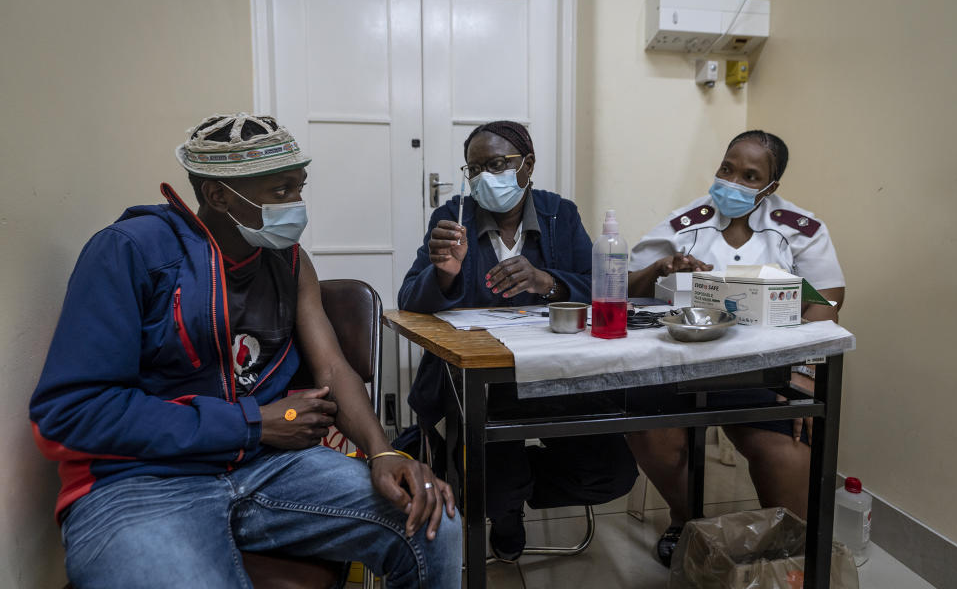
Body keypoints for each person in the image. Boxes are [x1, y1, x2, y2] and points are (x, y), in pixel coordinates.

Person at [29, 113, 461, 588]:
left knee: (436, 526)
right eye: (280, 191)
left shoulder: (289, 261)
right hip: (142, 481)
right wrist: (255, 422)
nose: (297, 204)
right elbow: (72, 413)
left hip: (267, 465)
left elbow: (333, 365)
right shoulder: (129, 251)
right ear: (218, 194)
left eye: (300, 186)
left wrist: (382, 453)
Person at [398, 121, 638, 561]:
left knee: (613, 474)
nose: (486, 176)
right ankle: (505, 510)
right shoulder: (453, 216)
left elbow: (599, 283)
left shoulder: (558, 214)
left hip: (557, 378)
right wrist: (445, 274)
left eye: (497, 164)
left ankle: (514, 490)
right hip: (483, 390)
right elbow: (409, 300)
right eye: (475, 168)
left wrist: (548, 282)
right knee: (493, 485)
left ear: (527, 164)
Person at [626, 129, 845, 567]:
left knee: (788, 458)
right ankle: (687, 522)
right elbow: (625, 287)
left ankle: (778, 551)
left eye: (749, 175)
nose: (733, 181)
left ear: (771, 186)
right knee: (651, 435)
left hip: (765, 375)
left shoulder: (798, 230)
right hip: (682, 367)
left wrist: (803, 376)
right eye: (727, 168)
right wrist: (661, 268)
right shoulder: (686, 223)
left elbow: (828, 304)